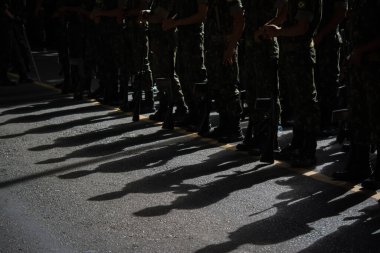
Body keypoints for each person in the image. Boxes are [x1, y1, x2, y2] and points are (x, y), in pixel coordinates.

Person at [261, 0, 322, 167]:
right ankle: (297, 144)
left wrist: (278, 32)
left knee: (306, 103)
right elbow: (283, 16)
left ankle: (308, 150)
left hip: (300, 55)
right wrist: (270, 28)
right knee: (296, 103)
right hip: (290, 55)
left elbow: (302, 28)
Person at [333, 0, 380, 188]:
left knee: (377, 119)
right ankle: (359, 166)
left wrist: (360, 51)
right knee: (359, 118)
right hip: (360, 66)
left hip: (375, 66)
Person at [236, 0, 284, 162]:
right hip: (251, 48)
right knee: (253, 95)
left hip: (266, 46)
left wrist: (263, 30)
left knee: (268, 95)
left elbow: (284, 12)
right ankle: (258, 135)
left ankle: (271, 140)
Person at [201, 0, 245, 143]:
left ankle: (234, 127)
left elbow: (239, 21)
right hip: (213, 47)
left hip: (225, 46)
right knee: (217, 86)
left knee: (229, 87)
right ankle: (224, 124)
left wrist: (231, 48)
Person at [161, 0, 207, 129]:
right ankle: (192, 112)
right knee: (182, 73)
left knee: (195, 75)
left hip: (193, 38)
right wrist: (170, 20)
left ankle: (202, 116)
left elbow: (202, 15)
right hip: (181, 37)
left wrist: (176, 22)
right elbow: (176, 11)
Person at [139, 0, 187, 122]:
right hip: (157, 40)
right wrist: (147, 13)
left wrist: (147, 17)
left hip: (165, 39)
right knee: (159, 75)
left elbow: (161, 16)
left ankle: (180, 107)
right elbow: (157, 13)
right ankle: (164, 106)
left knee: (168, 74)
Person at [314, 0, 348, 135]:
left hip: (329, 41)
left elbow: (341, 13)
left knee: (329, 82)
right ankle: (321, 121)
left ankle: (331, 123)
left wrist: (322, 34)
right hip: (316, 41)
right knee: (317, 83)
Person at [120, 0, 154, 113]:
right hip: (129, 30)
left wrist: (126, 13)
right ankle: (137, 98)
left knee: (143, 65)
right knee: (133, 66)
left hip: (139, 31)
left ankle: (149, 100)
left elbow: (142, 9)